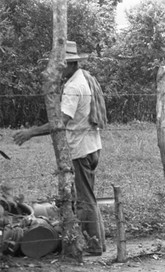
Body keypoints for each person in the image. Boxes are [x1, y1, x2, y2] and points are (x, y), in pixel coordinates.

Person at [13, 41, 106, 256]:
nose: (56, 69)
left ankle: (94, 245)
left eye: (59, 65)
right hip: (91, 145)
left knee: (85, 200)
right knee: (87, 197)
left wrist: (31, 132)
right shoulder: (84, 77)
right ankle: (95, 242)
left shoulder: (74, 87)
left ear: (68, 64)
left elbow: (61, 121)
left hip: (81, 148)